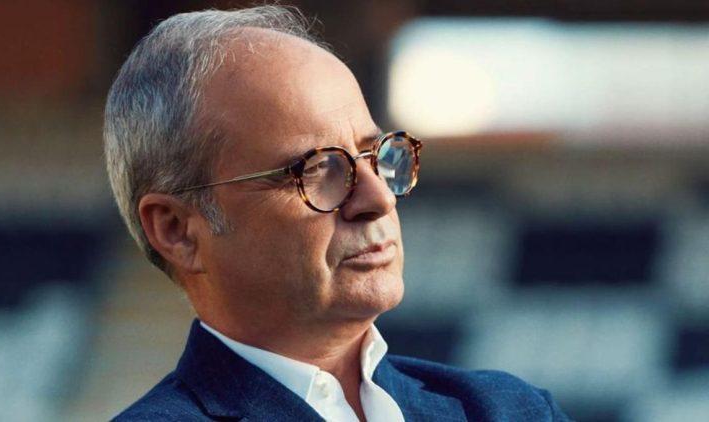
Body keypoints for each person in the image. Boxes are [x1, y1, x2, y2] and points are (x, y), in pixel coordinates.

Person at [104, 5, 569, 421]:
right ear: (177, 230)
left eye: (375, 155)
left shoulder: (508, 410)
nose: (379, 199)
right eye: (318, 168)